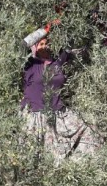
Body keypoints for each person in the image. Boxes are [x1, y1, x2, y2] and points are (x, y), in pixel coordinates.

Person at [20, 24, 102, 163]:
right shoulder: (29, 64)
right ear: (34, 47)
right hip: (34, 117)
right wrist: (46, 28)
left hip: (59, 116)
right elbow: (22, 45)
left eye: (47, 43)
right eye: (41, 44)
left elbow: (75, 39)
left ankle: (84, 171)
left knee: (90, 130)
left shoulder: (57, 62)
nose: (45, 46)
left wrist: (68, 20)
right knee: (33, 161)